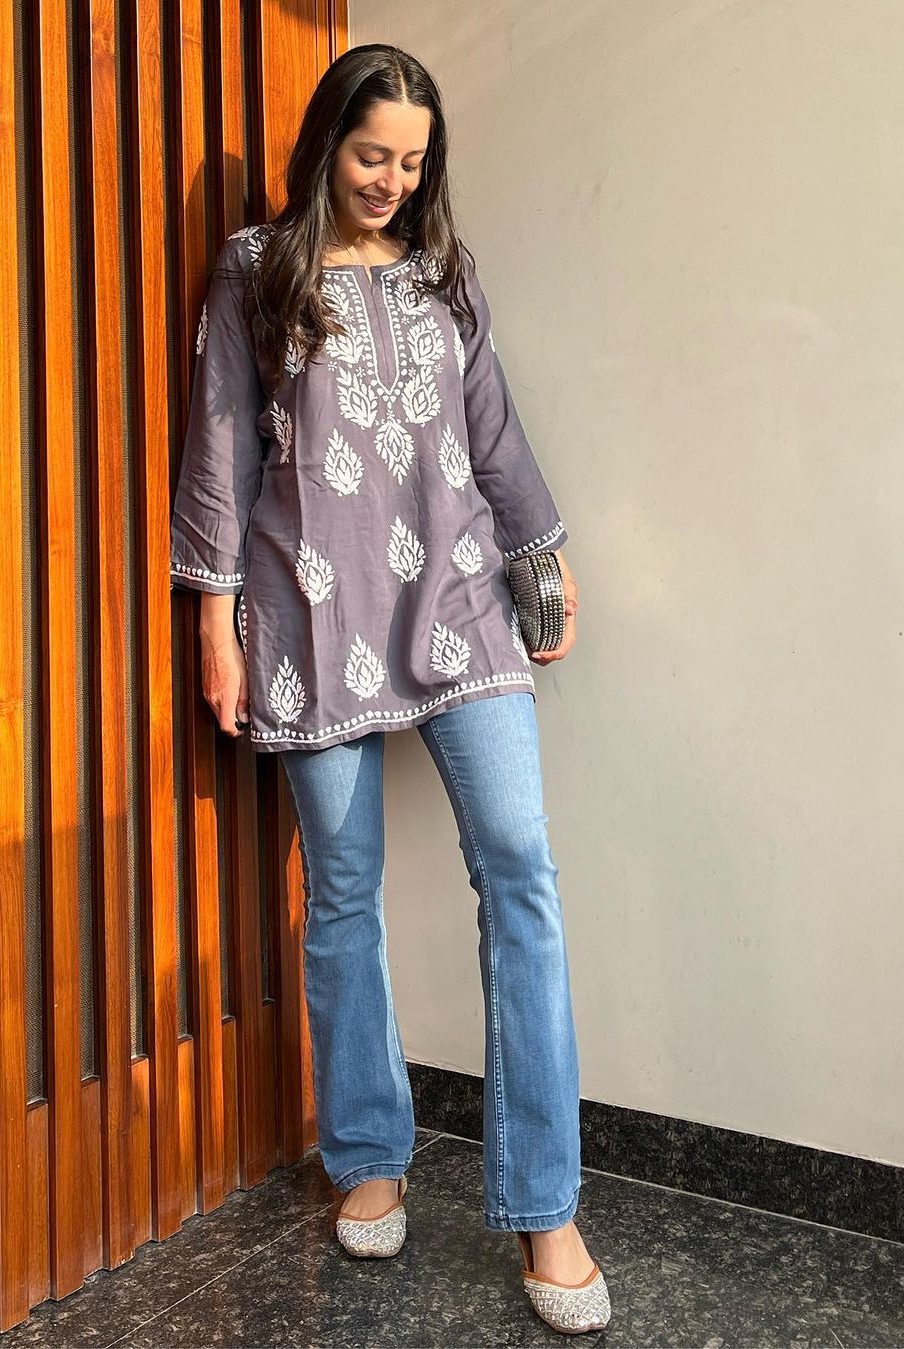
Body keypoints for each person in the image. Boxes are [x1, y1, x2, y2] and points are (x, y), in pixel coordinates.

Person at [169, 42, 611, 1336]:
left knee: (521, 869)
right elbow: (218, 446)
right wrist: (215, 620)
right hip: (311, 606)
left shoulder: (443, 273)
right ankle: (368, 1148)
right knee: (343, 892)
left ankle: (545, 1205)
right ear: (328, 145)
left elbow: (493, 430)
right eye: (374, 155)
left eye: (413, 162)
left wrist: (542, 556)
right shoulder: (258, 270)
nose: (393, 181)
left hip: (458, 595)